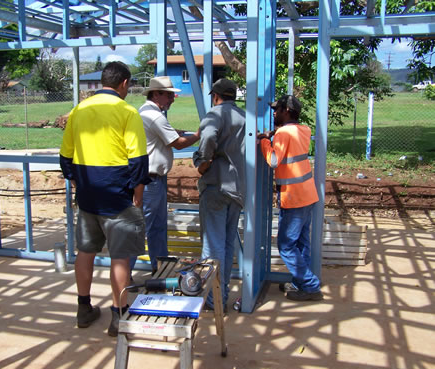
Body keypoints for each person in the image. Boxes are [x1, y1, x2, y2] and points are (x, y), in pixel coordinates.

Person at [59, 61, 150, 336]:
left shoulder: (79, 110)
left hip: (88, 197)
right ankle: (118, 316)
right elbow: (138, 160)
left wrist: (77, 182)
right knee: (120, 257)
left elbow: (65, 156)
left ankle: (84, 308)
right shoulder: (127, 111)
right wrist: (138, 196)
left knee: (85, 252)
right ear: (123, 83)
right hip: (118, 197)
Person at [130, 76, 200, 275]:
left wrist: (176, 132)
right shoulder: (156, 117)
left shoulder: (146, 112)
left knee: (147, 226)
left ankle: (157, 269)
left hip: (149, 178)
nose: (173, 99)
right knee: (153, 228)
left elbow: (161, 135)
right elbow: (177, 143)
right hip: (151, 180)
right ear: (157, 94)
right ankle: (159, 270)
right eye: (169, 95)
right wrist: (198, 135)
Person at [258, 95, 323, 301]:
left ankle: (311, 286)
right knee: (302, 244)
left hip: (293, 197)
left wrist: (263, 141)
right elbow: (288, 142)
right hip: (307, 194)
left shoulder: (283, 133)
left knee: (286, 246)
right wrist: (274, 135)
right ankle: (299, 282)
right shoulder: (303, 130)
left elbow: (274, 160)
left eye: (277, 109)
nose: (274, 112)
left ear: (287, 110)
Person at [193, 78, 246, 312]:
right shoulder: (245, 117)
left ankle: (214, 301)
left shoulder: (214, 114)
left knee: (212, 247)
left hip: (216, 186)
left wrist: (202, 163)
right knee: (225, 244)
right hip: (237, 189)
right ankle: (220, 295)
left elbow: (207, 138)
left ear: (215, 95)